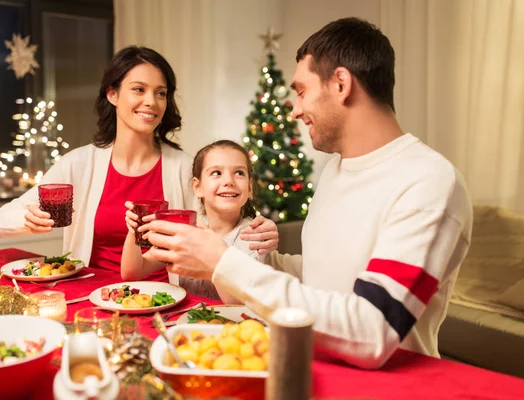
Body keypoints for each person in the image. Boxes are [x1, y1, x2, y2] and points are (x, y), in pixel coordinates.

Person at [139, 18, 473, 369]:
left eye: (301, 91)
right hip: (307, 368)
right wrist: (263, 256)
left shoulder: (428, 181)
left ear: (341, 84)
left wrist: (224, 263)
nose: (295, 109)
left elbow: (373, 331)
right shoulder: (335, 170)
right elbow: (322, 275)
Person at [0, 46, 279, 282]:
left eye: (160, 92)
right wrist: (28, 218)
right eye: (139, 89)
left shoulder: (183, 167)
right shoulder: (79, 163)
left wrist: (260, 229)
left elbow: (220, 226)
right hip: (88, 296)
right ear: (112, 94)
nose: (151, 101)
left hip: (164, 302)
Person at [121, 139, 266, 302]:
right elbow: (132, 272)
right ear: (198, 187)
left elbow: (237, 303)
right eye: (217, 173)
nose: (228, 181)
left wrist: (213, 253)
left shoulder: (252, 236)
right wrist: (134, 231)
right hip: (184, 323)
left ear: (249, 187)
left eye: (239, 173)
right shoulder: (187, 228)